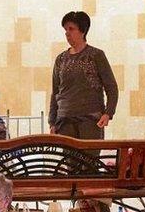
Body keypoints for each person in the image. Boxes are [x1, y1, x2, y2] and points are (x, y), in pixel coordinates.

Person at [48, 11, 118, 139]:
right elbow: (55, 92)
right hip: (64, 122)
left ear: (82, 31)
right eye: (65, 29)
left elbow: (111, 87)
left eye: (71, 29)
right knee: (68, 159)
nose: (67, 33)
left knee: (88, 158)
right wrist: (52, 121)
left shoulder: (96, 55)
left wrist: (108, 113)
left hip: (90, 120)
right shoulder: (61, 59)